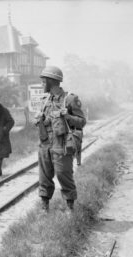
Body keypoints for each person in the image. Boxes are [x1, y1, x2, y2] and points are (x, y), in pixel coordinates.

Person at [35, 66, 86, 212]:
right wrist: (39, 120)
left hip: (62, 145)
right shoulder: (45, 100)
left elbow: (82, 122)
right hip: (45, 144)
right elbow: (45, 122)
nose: (42, 84)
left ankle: (70, 209)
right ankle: (44, 208)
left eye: (44, 81)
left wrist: (68, 116)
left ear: (52, 81)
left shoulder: (69, 99)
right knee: (44, 177)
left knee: (64, 175)